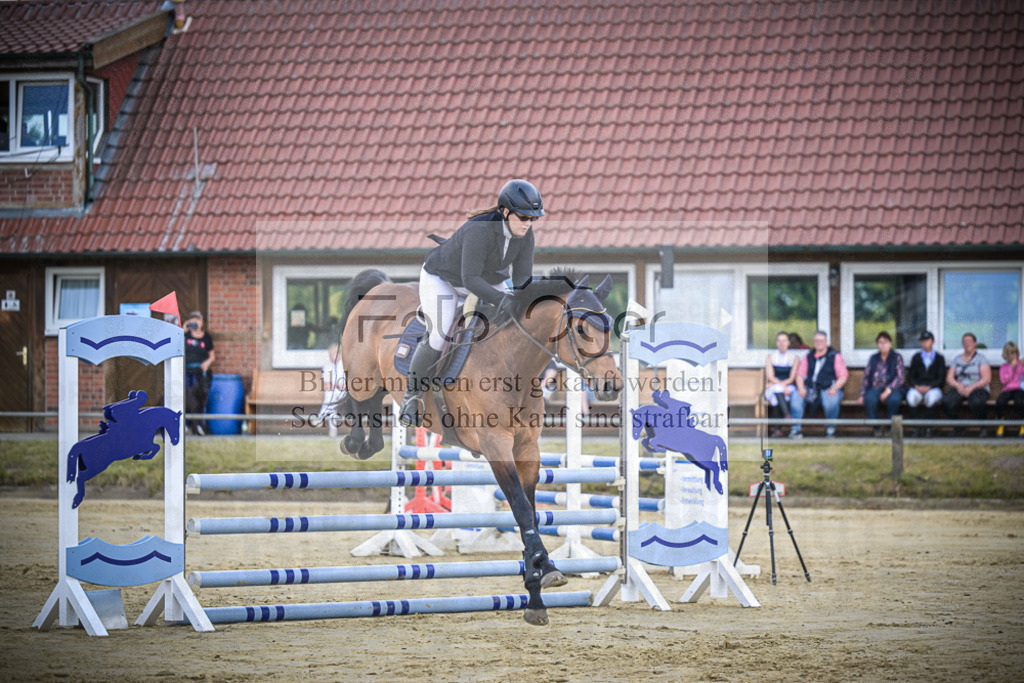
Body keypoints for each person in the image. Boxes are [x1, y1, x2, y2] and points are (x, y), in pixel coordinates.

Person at [398, 179, 543, 426]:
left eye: (533, 219)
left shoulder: (524, 237)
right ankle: (412, 397)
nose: (528, 224)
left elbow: (522, 280)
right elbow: (470, 279)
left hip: (486, 279)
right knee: (439, 335)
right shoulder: (480, 230)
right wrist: (501, 300)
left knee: (515, 322)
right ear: (505, 212)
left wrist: (526, 304)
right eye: (523, 217)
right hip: (444, 278)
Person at [789, 330, 849, 438]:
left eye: (821, 341)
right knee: (796, 396)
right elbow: (799, 374)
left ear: (826, 342)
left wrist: (835, 387)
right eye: (816, 341)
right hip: (810, 387)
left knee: (831, 400)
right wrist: (801, 388)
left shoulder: (835, 356)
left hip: (828, 387)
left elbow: (843, 376)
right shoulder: (808, 356)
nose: (819, 343)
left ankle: (830, 429)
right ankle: (796, 430)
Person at [857, 331, 906, 436]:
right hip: (876, 387)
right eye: (880, 342)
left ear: (890, 344)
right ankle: (876, 428)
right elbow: (866, 377)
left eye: (885, 342)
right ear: (877, 345)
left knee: (894, 400)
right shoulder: (873, 358)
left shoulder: (897, 357)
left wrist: (888, 390)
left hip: (894, 388)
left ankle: (889, 428)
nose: (882, 345)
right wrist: (862, 395)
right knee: (869, 399)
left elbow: (900, 377)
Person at [942, 332, 991, 437]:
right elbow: (949, 377)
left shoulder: (981, 359)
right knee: (946, 401)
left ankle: (983, 427)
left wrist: (971, 387)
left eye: (969, 341)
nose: (967, 343)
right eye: (964, 341)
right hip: (960, 388)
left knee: (976, 402)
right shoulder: (957, 359)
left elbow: (986, 379)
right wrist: (957, 385)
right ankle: (958, 426)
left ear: (975, 343)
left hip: (978, 387)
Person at [905, 331, 946, 438]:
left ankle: (928, 428)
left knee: (931, 398)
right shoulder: (916, 357)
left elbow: (941, 378)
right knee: (910, 398)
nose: (925, 343)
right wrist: (916, 386)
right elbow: (910, 376)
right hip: (918, 387)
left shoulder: (939, 358)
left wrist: (930, 387)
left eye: (927, 340)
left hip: (933, 388)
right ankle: (916, 428)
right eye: (922, 341)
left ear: (933, 342)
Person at [184, 310, 215, 435]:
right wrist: (183, 329)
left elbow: (212, 356)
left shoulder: (206, 338)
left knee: (199, 400)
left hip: (201, 374)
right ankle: (185, 425)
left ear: (202, 322)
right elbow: (174, 344)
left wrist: (207, 363)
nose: (195, 322)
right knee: (186, 398)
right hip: (186, 372)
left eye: (197, 319)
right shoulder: (185, 336)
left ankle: (199, 425)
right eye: (192, 319)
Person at [764, 331, 799, 437]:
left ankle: (777, 430)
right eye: (779, 341)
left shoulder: (794, 358)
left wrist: (782, 386)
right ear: (776, 343)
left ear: (788, 343)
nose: (781, 343)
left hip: (789, 387)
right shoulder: (771, 357)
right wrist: (782, 386)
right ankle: (787, 414)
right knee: (776, 390)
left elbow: (792, 378)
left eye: (784, 341)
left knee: (777, 395)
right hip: (776, 386)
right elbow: (770, 376)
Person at [995, 341, 1024, 437]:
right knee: (1000, 401)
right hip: (1007, 389)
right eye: (1012, 353)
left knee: (1019, 401)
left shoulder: (1022, 364)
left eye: (1016, 352)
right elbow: (1004, 381)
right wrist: (1011, 367)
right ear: (1007, 354)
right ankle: (1001, 422)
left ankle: (1022, 423)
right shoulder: (1004, 367)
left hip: (1019, 389)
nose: (1014, 355)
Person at [318, 342, 346, 438]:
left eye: (333, 354)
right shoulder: (327, 366)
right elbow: (327, 385)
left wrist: (336, 386)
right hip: (333, 392)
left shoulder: (345, 365)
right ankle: (333, 430)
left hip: (344, 393)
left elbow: (345, 385)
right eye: (330, 354)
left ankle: (321, 416)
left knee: (331, 397)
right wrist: (336, 386)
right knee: (331, 397)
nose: (331, 356)